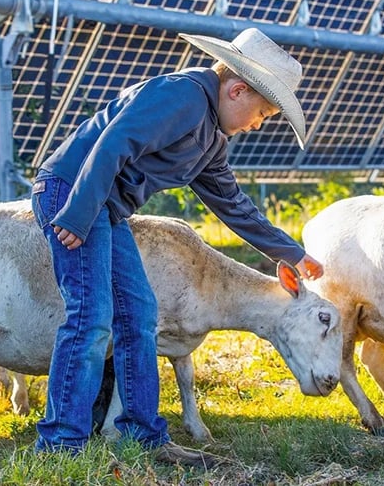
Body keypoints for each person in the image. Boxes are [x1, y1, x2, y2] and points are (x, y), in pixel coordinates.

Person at [31, 28, 325, 467]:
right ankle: (60, 445)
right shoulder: (183, 96)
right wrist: (77, 212)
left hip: (106, 208)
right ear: (237, 89)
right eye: (261, 112)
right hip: (73, 191)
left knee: (139, 315)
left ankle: (144, 435)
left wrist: (290, 252)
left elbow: (231, 202)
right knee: (91, 316)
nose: (257, 123)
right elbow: (114, 142)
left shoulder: (211, 138)